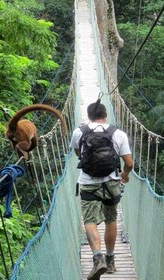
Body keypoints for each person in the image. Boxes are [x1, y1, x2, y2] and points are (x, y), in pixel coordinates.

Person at [70, 101, 134, 280]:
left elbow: (78, 154)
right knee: (111, 219)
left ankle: (98, 258)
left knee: (90, 221)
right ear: (105, 115)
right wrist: (125, 174)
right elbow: (129, 163)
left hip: (88, 183)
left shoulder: (79, 132)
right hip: (111, 183)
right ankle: (111, 260)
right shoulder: (118, 134)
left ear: (89, 116)